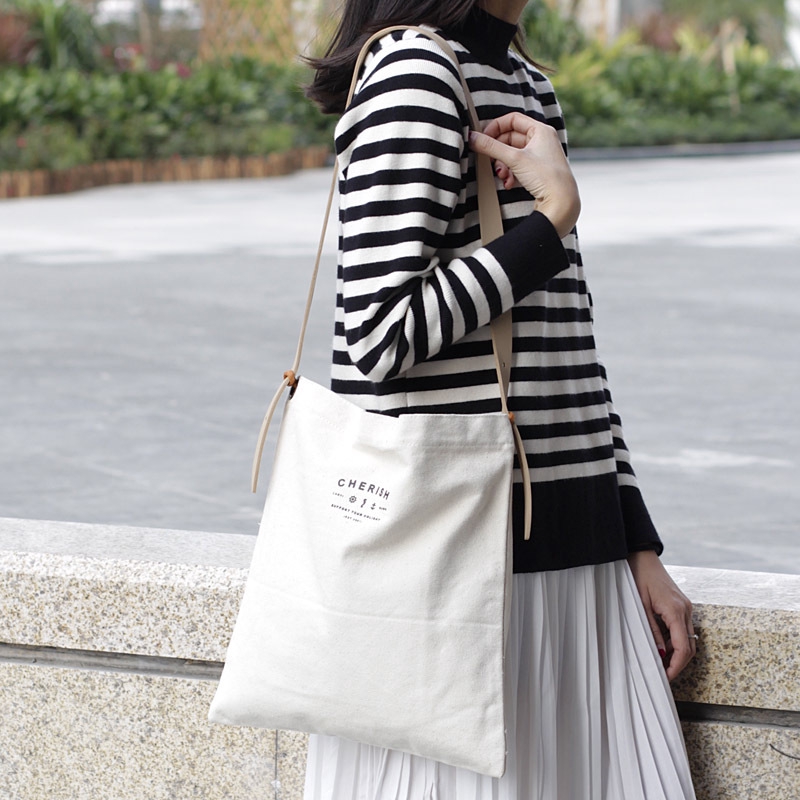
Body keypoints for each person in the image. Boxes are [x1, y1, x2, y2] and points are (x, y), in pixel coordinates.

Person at [303, 1, 698, 797]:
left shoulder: (523, 79)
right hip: (464, 577)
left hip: (573, 567)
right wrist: (551, 221)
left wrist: (633, 540)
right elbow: (375, 337)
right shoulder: (417, 72)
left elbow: (565, 344)